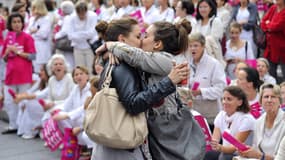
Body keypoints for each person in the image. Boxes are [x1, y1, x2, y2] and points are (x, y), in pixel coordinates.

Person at [97, 21, 205, 159]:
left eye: (145, 36)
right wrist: (111, 52)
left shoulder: (166, 60)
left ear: (157, 44)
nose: (141, 40)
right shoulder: (140, 62)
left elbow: (137, 57)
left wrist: (111, 45)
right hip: (154, 126)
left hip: (169, 126)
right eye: (138, 36)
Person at [1, 13, 36, 134]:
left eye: (19, 22)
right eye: (14, 22)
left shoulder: (27, 37)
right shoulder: (8, 37)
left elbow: (33, 56)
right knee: (9, 101)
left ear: (22, 23)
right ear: (10, 24)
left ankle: (23, 126)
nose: (16, 24)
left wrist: (19, 53)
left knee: (23, 101)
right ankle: (13, 125)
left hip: (24, 75)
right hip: (10, 75)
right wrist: (7, 52)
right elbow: (4, 58)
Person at [204, 86, 255, 160]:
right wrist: (214, 145)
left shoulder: (246, 119)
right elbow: (215, 140)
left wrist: (220, 147)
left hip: (244, 155)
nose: (225, 102)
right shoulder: (221, 115)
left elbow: (234, 148)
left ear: (240, 102)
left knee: (224, 157)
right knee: (208, 154)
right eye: (223, 99)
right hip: (226, 152)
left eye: (229, 99)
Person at [188, 33, 227, 127]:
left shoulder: (214, 64)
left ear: (203, 47)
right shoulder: (186, 63)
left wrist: (201, 92)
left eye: (196, 45)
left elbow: (221, 89)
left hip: (211, 117)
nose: (193, 48)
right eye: (190, 46)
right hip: (192, 116)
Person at [237, 83, 285, 159]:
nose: (269, 100)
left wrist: (259, 156)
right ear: (261, 101)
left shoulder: (283, 121)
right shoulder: (258, 122)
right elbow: (256, 150)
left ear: (280, 101)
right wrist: (248, 152)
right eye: (266, 97)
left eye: (273, 97)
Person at [14, 64, 49, 139]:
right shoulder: (40, 81)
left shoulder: (51, 81)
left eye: (42, 70)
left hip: (48, 104)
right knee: (24, 102)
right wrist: (21, 96)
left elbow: (40, 95)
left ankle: (33, 129)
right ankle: (27, 129)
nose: (40, 72)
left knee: (29, 102)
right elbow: (30, 91)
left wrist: (22, 97)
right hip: (41, 101)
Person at [67, 1, 98, 74]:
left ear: (86, 11)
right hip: (77, 48)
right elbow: (70, 36)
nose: (81, 16)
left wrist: (77, 34)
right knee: (80, 70)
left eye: (83, 14)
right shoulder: (72, 17)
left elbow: (92, 33)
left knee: (91, 70)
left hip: (90, 47)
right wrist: (85, 34)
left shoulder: (93, 16)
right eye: (79, 14)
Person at [260, 0, 285, 81]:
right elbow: (263, 22)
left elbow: (277, 26)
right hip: (270, 48)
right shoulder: (273, 8)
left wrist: (268, 25)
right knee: (271, 75)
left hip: (282, 48)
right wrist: (268, 26)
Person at [27, 0, 53, 73]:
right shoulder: (32, 19)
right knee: (34, 70)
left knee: (42, 70)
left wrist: (33, 32)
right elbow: (27, 32)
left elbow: (44, 34)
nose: (32, 10)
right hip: (32, 47)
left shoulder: (46, 19)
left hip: (42, 48)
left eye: (34, 8)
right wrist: (34, 31)